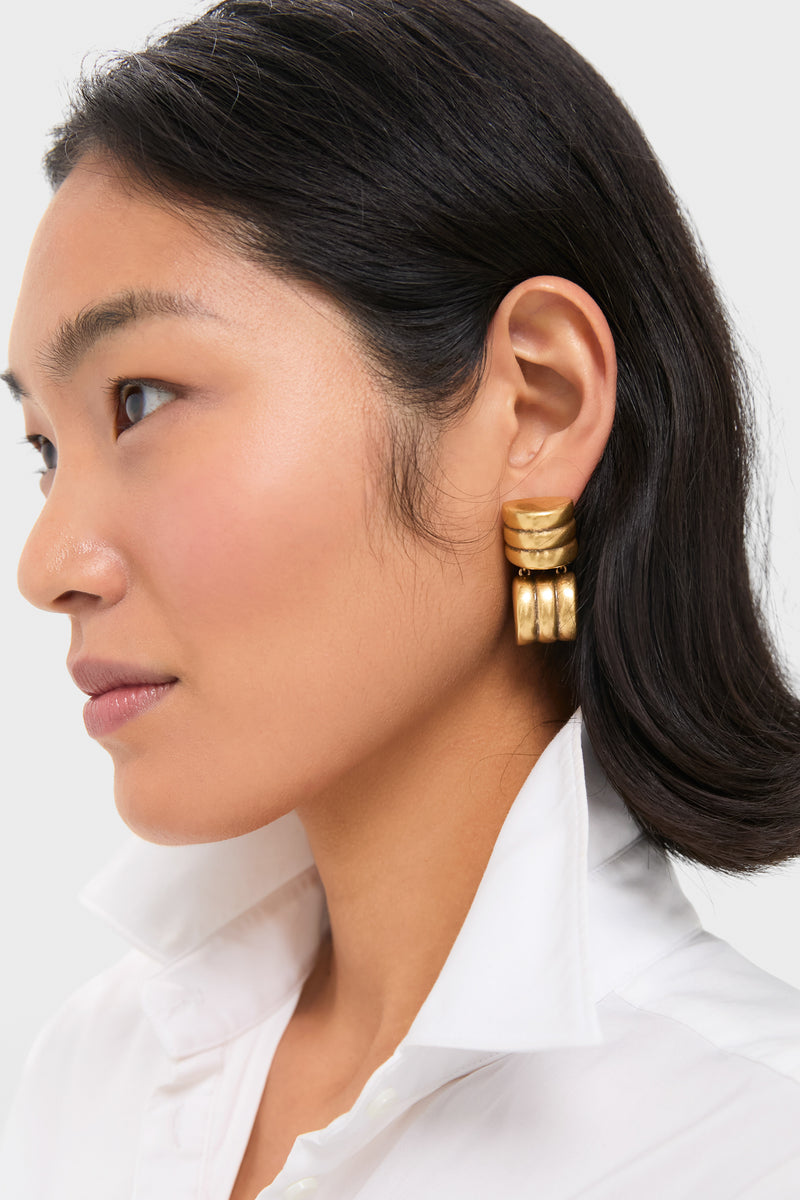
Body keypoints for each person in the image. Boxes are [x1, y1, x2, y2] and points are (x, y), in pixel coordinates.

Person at [2, 0, 800, 1195]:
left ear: (531, 404)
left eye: (143, 401)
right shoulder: (92, 1072)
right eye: (43, 448)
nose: (47, 564)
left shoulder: (743, 1142)